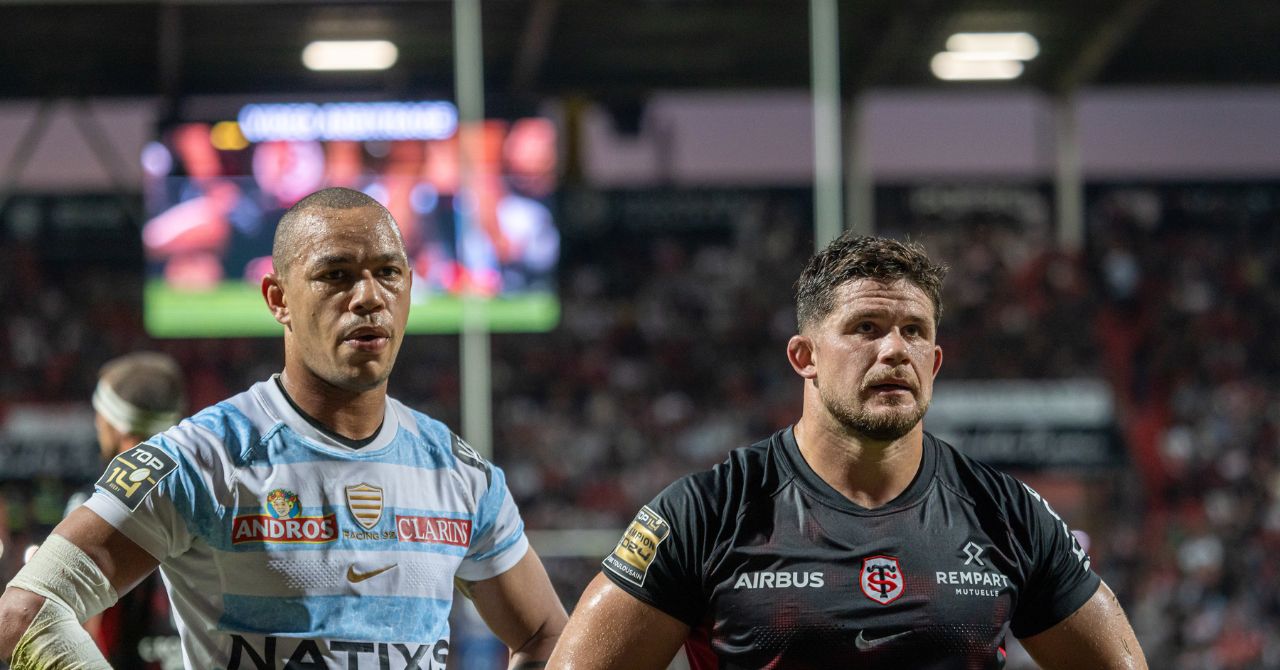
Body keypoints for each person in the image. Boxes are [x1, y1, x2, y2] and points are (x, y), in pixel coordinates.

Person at [0, 187, 566, 669]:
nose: (369, 297)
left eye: (388, 273)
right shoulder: (202, 458)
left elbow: (547, 636)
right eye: (336, 275)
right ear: (278, 299)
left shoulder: (461, 474)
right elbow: (28, 610)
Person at [548, 234, 1147, 669]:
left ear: (935, 362)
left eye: (915, 332)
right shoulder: (707, 512)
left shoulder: (1007, 513)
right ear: (804, 356)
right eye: (866, 328)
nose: (895, 350)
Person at [75, 352, 187, 669]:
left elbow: (89, 628)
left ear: (117, 423)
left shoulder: (100, 505)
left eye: (100, 415)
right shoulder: (211, 489)